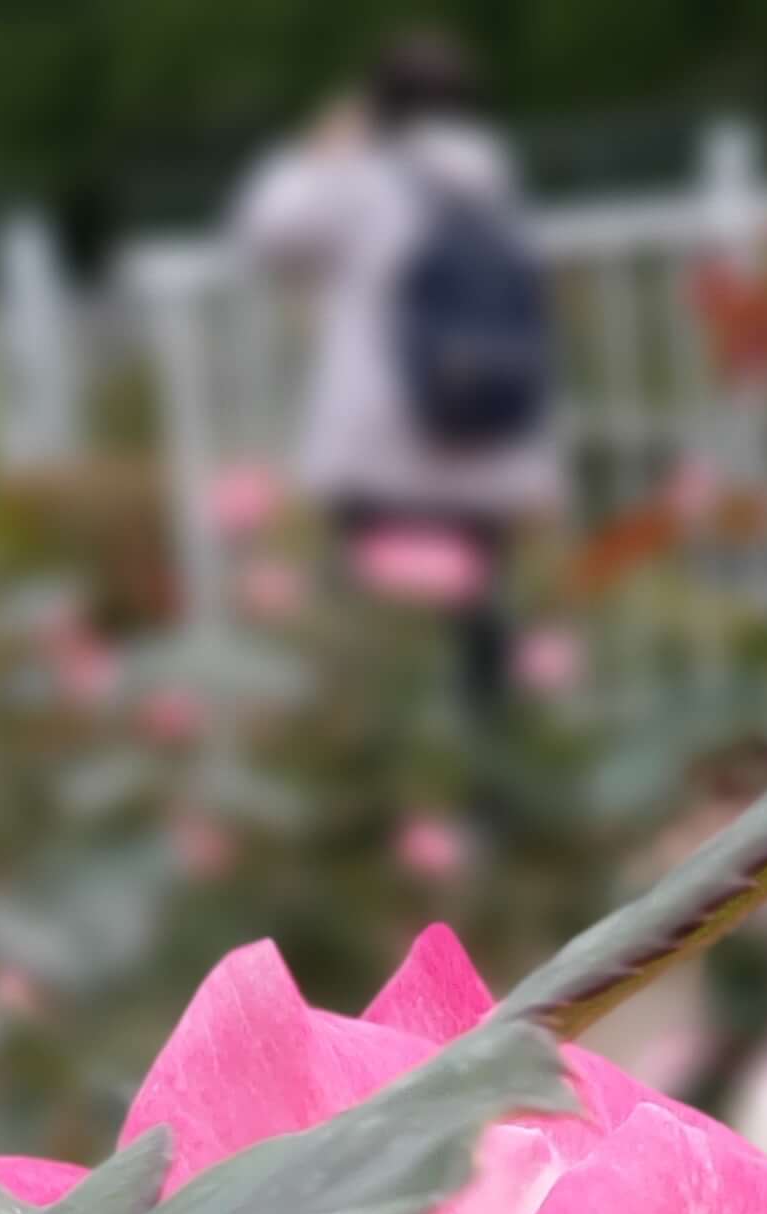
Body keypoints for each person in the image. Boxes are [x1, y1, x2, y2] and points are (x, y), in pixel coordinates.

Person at [234, 28, 561, 707]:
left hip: (383, 457)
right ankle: (488, 789)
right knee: (478, 639)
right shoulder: (494, 185)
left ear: (378, 106)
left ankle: (395, 801)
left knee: (380, 648)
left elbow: (266, 231)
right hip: (485, 447)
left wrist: (323, 147)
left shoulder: (365, 182)